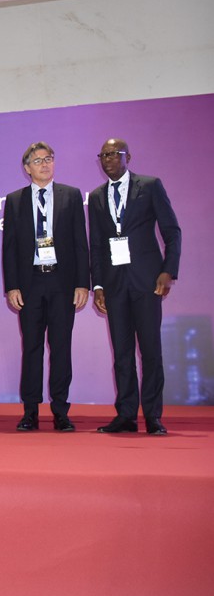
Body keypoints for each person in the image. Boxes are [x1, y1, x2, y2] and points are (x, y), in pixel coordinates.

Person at [88, 138, 182, 435]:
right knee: (123, 353)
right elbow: (97, 245)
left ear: (128, 156)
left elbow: (172, 232)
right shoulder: (97, 196)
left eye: (114, 154)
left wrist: (169, 271)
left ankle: (153, 416)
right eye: (103, 155)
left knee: (151, 351)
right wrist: (98, 285)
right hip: (114, 286)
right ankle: (126, 415)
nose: (108, 159)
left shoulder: (150, 185)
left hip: (147, 282)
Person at [2, 143, 89, 432]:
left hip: (62, 283)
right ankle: (30, 412)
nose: (44, 164)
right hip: (30, 284)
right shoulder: (15, 200)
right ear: (27, 168)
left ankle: (61, 411)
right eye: (38, 161)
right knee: (32, 348)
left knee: (61, 348)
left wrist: (82, 283)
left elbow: (80, 242)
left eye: (48, 159)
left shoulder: (71, 196)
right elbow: (10, 247)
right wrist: (12, 286)